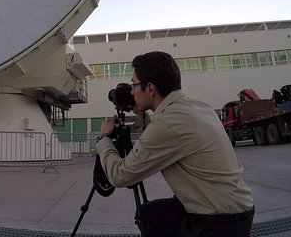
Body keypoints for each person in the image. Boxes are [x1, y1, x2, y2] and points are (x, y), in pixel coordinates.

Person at [96, 51, 254, 237]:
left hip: (219, 224)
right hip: (235, 210)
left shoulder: (167, 124)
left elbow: (121, 176)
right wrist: (140, 114)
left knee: (149, 216)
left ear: (150, 88)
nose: (131, 92)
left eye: (134, 85)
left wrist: (104, 139)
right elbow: (159, 142)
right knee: (149, 215)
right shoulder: (197, 107)